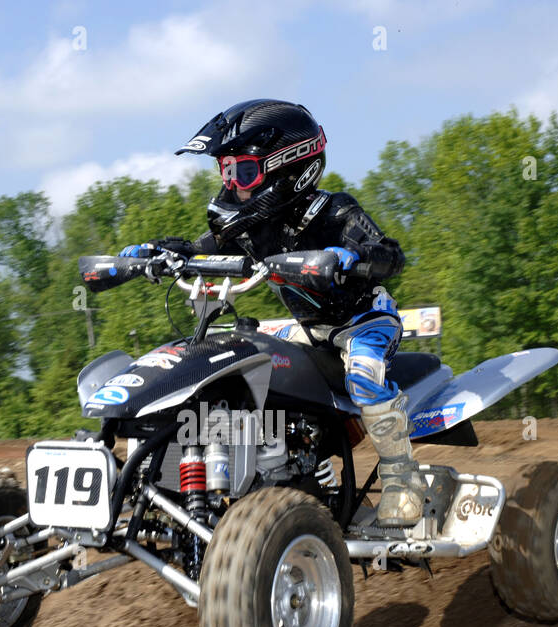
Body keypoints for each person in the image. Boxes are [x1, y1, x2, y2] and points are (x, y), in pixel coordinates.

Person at [118, 99, 420, 526]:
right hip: (309, 330)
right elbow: (201, 248)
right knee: (250, 364)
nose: (234, 185)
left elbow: (392, 254)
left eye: (243, 171)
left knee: (364, 377)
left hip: (363, 324)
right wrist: (162, 252)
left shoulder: (335, 211)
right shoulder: (253, 228)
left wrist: (350, 257)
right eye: (227, 172)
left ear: (289, 167)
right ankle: (295, 473)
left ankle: (402, 480)